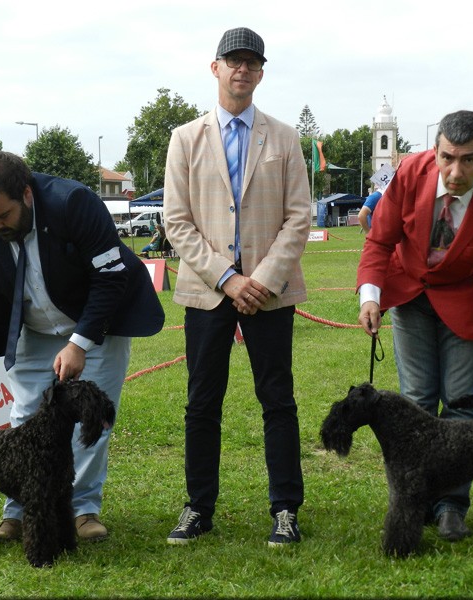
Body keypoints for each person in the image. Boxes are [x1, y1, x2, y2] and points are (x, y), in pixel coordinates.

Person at [0, 150, 165, 544]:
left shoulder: (74, 202)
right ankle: (17, 513)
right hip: (32, 326)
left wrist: (80, 342)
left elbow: (110, 276)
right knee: (25, 416)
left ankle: (83, 509)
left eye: (3, 217)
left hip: (96, 320)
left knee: (90, 420)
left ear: (27, 195)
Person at [163, 27, 311, 547]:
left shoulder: (285, 138)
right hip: (208, 292)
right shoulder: (185, 139)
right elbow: (176, 222)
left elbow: (299, 218)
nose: (242, 70)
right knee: (202, 402)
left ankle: (286, 509)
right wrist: (228, 279)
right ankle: (198, 507)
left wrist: (261, 281)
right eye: (233, 61)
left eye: (251, 63)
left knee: (278, 400)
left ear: (261, 72)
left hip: (271, 293)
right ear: (216, 68)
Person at [357, 110, 473, 542]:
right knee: (415, 401)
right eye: (447, 157)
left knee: (462, 404)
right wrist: (370, 296)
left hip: (465, 304)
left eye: (468, 160)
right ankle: (416, 501)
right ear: (435, 151)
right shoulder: (409, 172)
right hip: (409, 295)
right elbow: (379, 240)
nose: (455, 171)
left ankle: (451, 507)